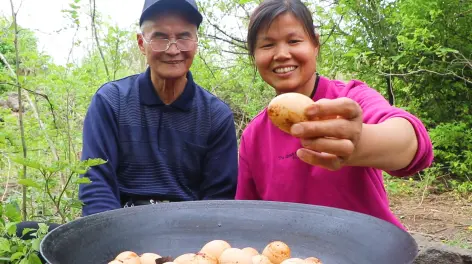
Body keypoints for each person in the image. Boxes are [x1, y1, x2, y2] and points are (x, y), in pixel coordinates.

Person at [235, 0, 434, 230]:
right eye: (267, 45)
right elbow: (248, 216)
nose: (281, 54)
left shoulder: (350, 99)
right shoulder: (253, 136)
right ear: (254, 55)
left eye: (294, 41)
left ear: (315, 44)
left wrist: (358, 142)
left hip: (367, 249)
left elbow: (413, 144)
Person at [78, 0, 238, 216]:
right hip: (122, 226)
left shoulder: (216, 115)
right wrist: (112, 243)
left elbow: (218, 200)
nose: (173, 49)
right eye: (160, 37)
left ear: (195, 43)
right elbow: (96, 184)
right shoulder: (111, 102)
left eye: (184, 37)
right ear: (141, 43)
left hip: (190, 234)